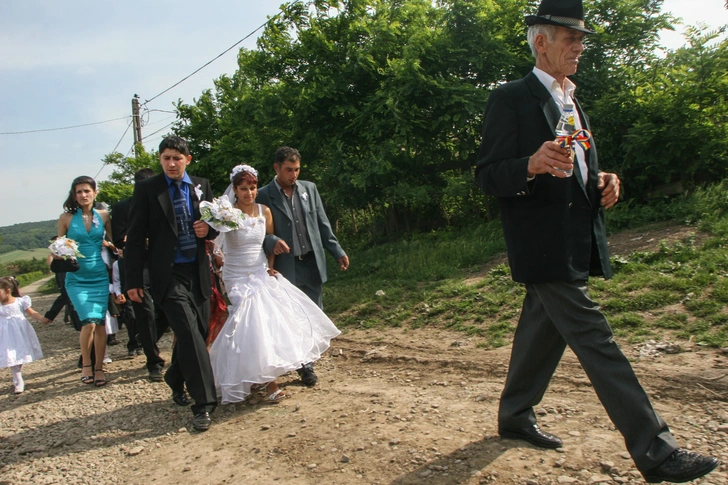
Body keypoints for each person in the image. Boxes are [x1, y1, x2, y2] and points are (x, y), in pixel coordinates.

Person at [474, 0, 719, 483]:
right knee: (596, 339)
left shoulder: (571, 98)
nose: (581, 47)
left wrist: (603, 180)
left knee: (541, 329)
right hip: (542, 243)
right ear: (542, 42)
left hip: (573, 239)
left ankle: (515, 415)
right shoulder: (511, 98)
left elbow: (580, 165)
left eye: (583, 39)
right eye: (572, 39)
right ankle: (656, 450)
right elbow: (487, 176)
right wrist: (529, 163)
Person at [209, 165, 340, 404]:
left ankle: (271, 371)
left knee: (270, 322)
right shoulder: (227, 214)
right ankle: (269, 383)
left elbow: (268, 242)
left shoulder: (264, 211)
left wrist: (270, 267)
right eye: (243, 189)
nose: (249, 193)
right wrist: (223, 262)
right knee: (251, 322)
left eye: (252, 188)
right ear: (235, 191)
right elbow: (215, 246)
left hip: (260, 271)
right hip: (236, 275)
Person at [125, 136, 218, 432]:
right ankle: (203, 404)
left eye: (177, 158)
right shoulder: (147, 190)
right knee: (189, 336)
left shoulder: (201, 185)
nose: (171, 163)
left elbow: (217, 224)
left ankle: (175, 378)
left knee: (200, 333)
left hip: (199, 272)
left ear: (187, 160)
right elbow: (135, 237)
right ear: (160, 160)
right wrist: (133, 280)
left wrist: (208, 228)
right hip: (168, 274)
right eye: (166, 158)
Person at [256, 146, 349, 387]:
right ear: (276, 168)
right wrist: (272, 241)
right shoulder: (264, 195)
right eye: (288, 170)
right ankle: (304, 367)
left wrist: (337, 251)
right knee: (293, 316)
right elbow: (257, 232)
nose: (293, 175)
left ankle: (308, 358)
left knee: (314, 313)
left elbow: (322, 223)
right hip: (286, 266)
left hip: (311, 262)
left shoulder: (309, 189)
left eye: (297, 169)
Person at [57, 176, 114, 387]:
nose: (83, 195)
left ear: (94, 192)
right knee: (88, 322)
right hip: (76, 277)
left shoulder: (105, 216)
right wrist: (55, 255)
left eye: (86, 191)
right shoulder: (66, 218)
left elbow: (116, 241)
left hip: (99, 275)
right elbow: (58, 246)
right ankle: (86, 364)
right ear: (74, 195)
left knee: (100, 324)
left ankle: (99, 368)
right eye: (79, 192)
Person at [112, 168, 168, 380]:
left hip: (161, 263)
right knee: (143, 312)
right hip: (136, 265)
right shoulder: (122, 207)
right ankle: (153, 361)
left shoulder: (164, 201)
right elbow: (120, 239)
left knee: (164, 312)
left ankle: (144, 339)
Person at [0, 277, 50, 394]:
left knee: (19, 354)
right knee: (10, 354)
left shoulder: (20, 301)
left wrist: (42, 319)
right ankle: (18, 379)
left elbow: (31, 312)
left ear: (8, 291)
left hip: (20, 332)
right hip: (6, 334)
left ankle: (16, 374)